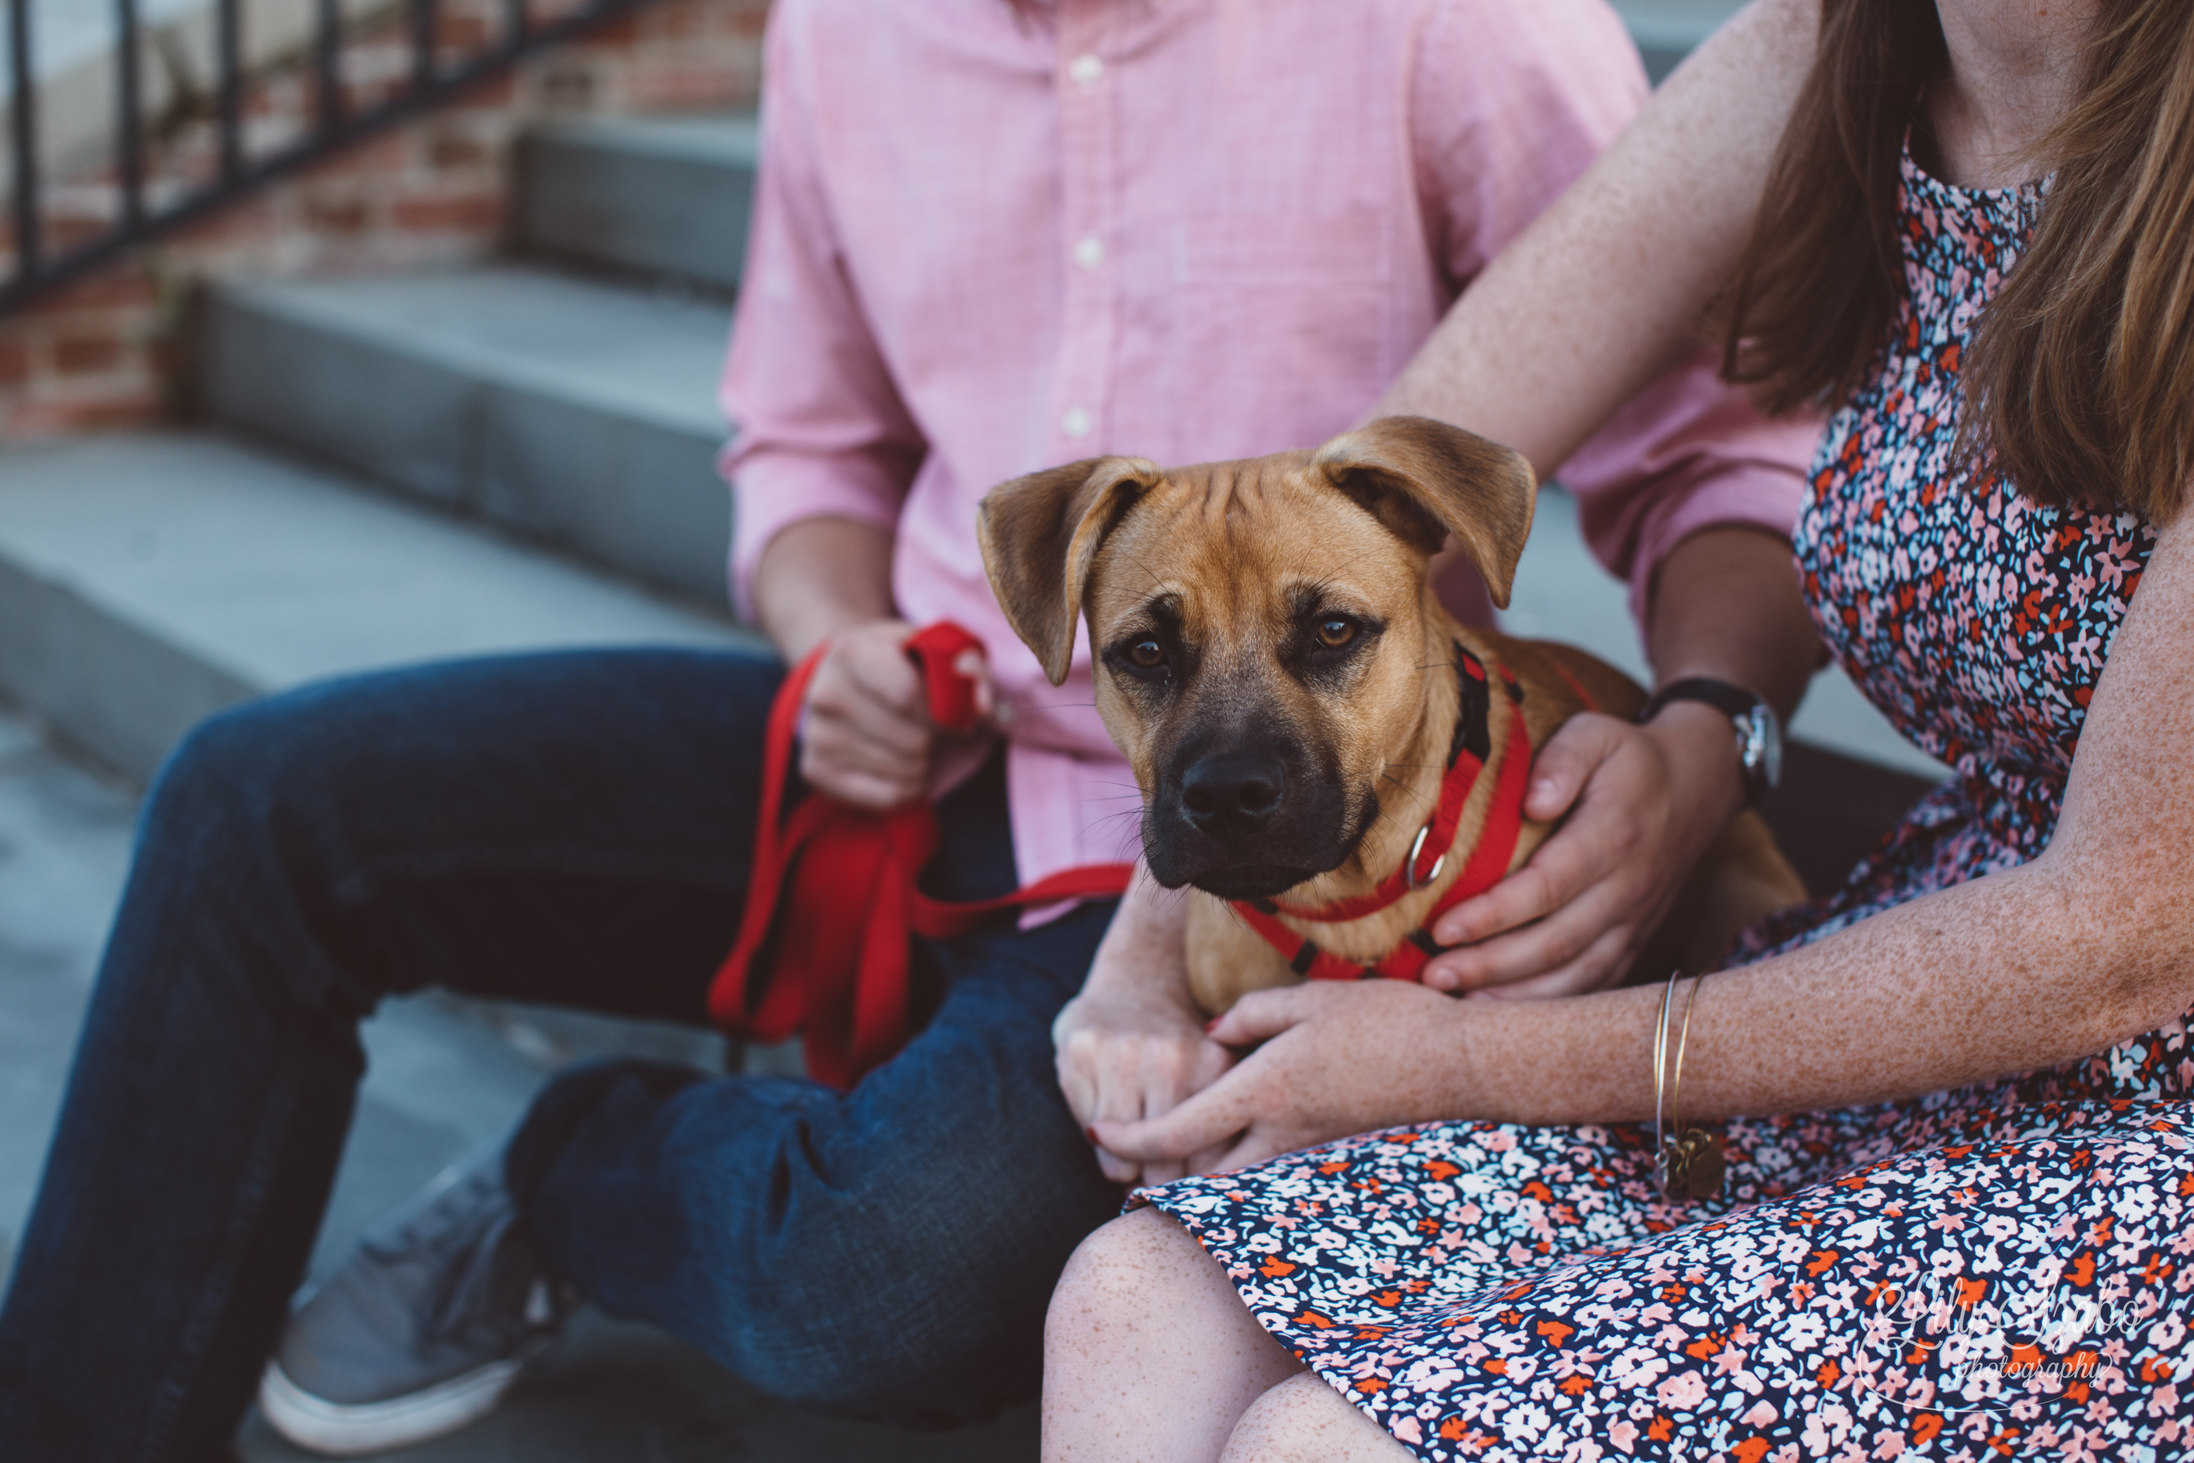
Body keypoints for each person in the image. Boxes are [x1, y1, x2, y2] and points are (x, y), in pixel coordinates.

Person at [0, 2, 1821, 1460]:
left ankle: (577, 1171)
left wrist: (1700, 736)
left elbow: (1719, 458)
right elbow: (803, 445)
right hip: (933, 726)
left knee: (875, 1283)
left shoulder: (1458, 26)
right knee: (262, 798)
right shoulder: (847, 31)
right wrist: (834, 630)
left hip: (1253, 849)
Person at [1043, 0, 2194, 1457]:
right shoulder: (1849, 34)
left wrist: (1465, 1065)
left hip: (2139, 1108)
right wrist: (1142, 962)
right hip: (1921, 976)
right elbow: (1357, 515)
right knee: (1130, 1300)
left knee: (1325, 1440)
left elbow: (2116, 939)